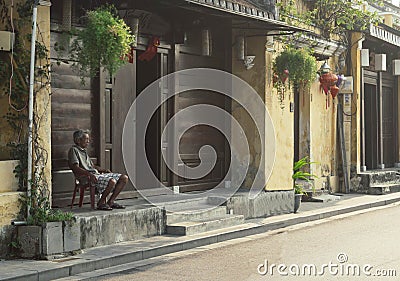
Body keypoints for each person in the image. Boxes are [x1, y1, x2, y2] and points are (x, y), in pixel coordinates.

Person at [68, 129, 128, 210]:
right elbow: (75, 168)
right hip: (86, 177)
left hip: (95, 174)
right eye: (86, 139)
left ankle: (111, 202)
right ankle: (101, 202)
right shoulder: (74, 150)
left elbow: (92, 166)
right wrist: (89, 174)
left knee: (124, 178)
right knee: (112, 181)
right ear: (78, 140)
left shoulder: (84, 151)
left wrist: (104, 170)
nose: (88, 142)